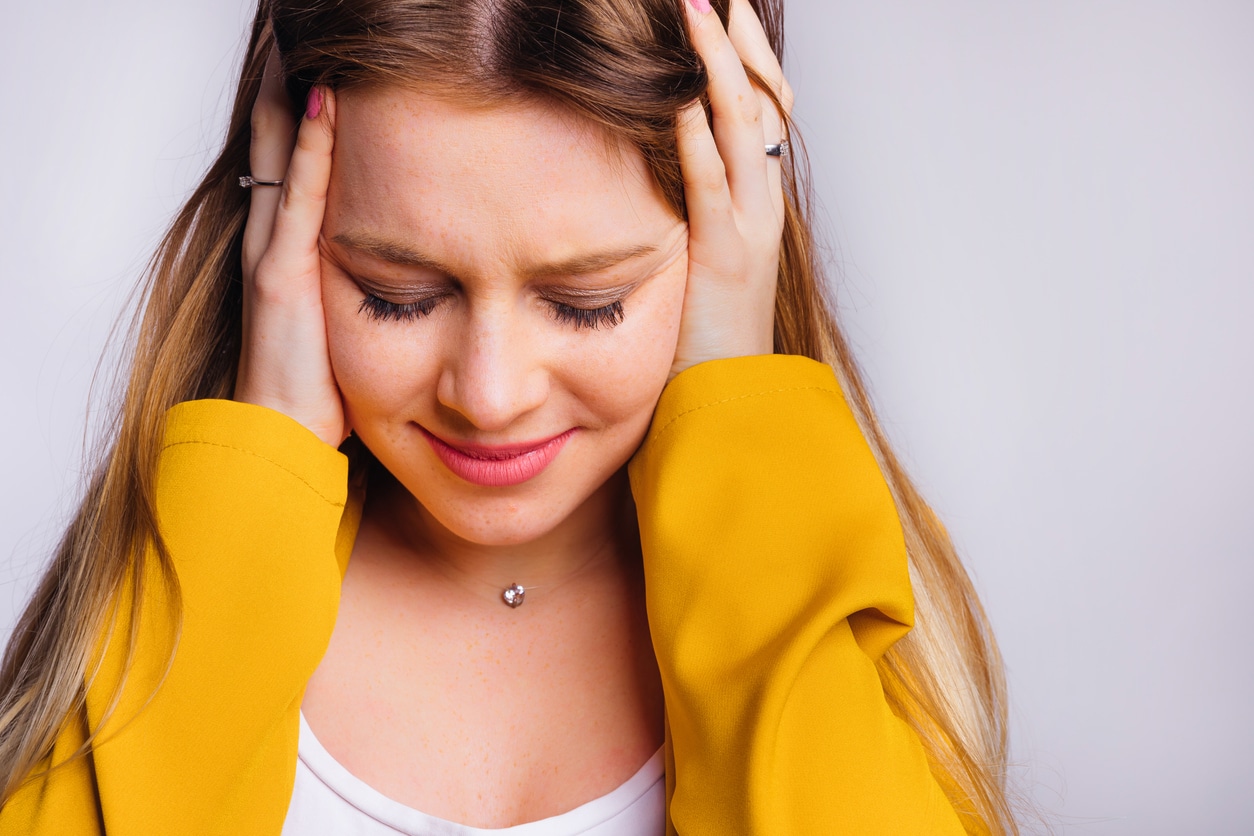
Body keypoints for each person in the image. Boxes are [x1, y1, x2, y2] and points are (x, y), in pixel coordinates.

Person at [0, 0, 1016, 832]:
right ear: (287, 240)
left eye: (587, 301)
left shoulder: (824, 619)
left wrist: (739, 418)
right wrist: (255, 460)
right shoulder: (176, 591)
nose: (489, 394)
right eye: (397, 292)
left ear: (733, 238)